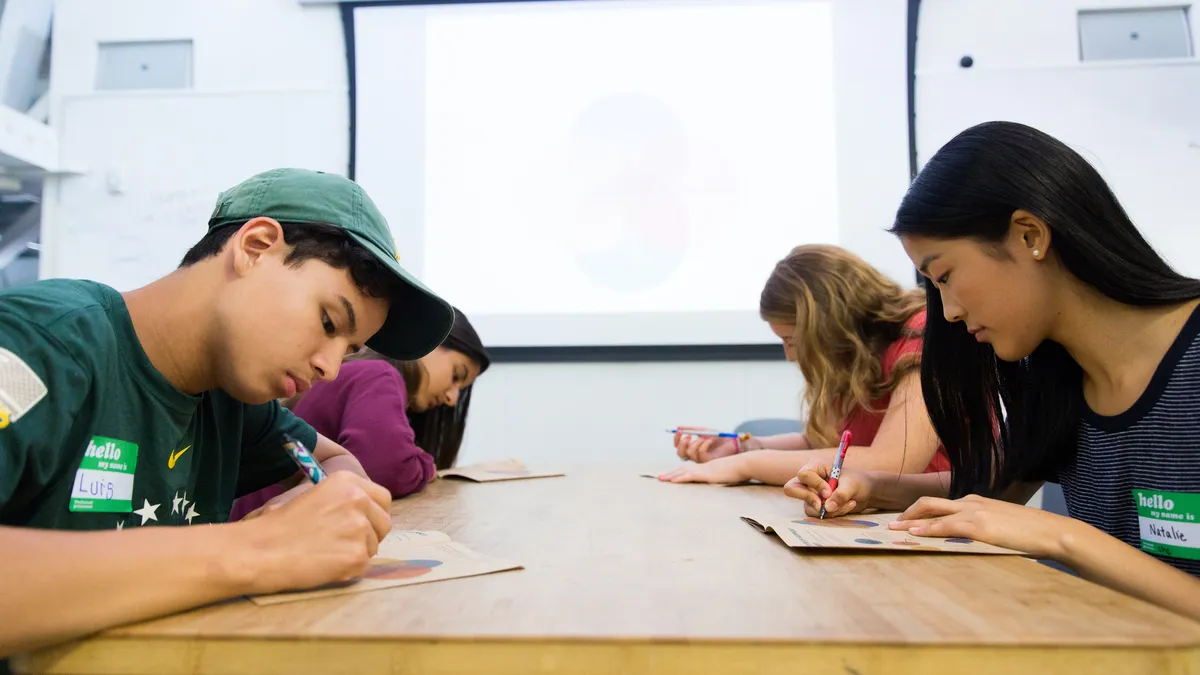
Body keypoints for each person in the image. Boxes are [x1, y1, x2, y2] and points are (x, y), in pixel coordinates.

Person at [0, 168, 456, 656]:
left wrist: (321, 498)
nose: (327, 368)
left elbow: (333, 460)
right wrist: (262, 548)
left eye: (347, 351)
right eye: (327, 321)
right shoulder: (40, 347)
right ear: (256, 246)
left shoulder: (233, 406)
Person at [784, 121, 1200, 621]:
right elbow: (983, 496)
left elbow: (1037, 527)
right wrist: (871, 487)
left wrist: (1061, 536)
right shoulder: (1058, 375)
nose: (950, 312)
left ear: (1030, 236)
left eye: (945, 276)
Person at [660, 244, 949, 486]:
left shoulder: (922, 333)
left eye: (792, 341)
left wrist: (748, 464)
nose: (789, 355)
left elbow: (892, 463)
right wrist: (741, 447)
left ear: (827, 327)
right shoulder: (855, 357)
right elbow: (820, 444)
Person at [230, 307, 491, 518]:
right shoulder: (379, 375)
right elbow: (383, 468)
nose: (452, 398)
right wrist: (425, 465)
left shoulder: (369, 376)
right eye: (457, 375)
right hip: (266, 527)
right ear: (428, 342)